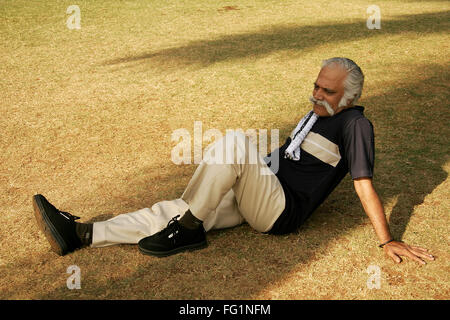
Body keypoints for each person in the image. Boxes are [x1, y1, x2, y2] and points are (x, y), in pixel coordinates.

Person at [32, 57, 434, 265]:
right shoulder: (317, 114)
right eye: (315, 85)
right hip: (260, 191)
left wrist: (387, 239)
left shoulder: (355, 125)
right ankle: (83, 235)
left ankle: (189, 230)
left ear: (348, 97)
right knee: (174, 210)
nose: (316, 94)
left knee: (235, 144)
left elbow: (363, 183)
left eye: (326, 91)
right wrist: (244, 174)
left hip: (280, 211)